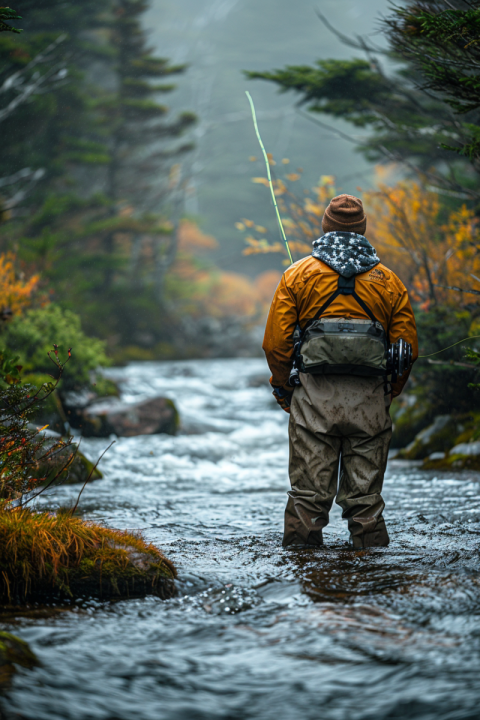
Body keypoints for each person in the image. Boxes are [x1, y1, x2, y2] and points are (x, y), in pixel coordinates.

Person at [263, 194, 418, 549]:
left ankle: (303, 579)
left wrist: (284, 389)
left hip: (313, 400)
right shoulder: (389, 281)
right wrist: (389, 391)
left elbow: (275, 345)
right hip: (370, 402)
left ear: (325, 226)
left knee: (307, 498)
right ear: (362, 229)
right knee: (365, 503)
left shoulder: (297, 275)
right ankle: (371, 573)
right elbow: (408, 349)